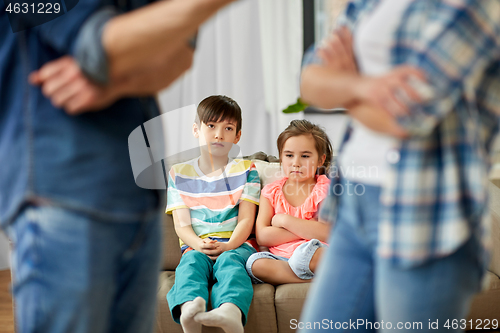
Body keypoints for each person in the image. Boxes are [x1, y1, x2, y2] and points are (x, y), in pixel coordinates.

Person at [0, 1, 236, 332]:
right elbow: (99, 46)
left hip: (139, 197)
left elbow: (178, 55)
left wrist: (113, 82)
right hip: (64, 192)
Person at [299, 1, 500, 332]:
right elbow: (310, 82)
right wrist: (362, 87)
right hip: (354, 202)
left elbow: (404, 115)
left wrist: (343, 83)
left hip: (426, 213)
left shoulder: (469, 6)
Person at [165, 95, 260, 333]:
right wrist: (198, 244)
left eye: (228, 128)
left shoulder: (247, 170)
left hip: (236, 244)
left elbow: (246, 219)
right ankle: (190, 308)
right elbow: (182, 225)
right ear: (197, 130)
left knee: (231, 265)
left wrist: (229, 246)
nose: (219, 134)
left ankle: (231, 311)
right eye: (211, 126)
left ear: (237, 136)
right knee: (190, 264)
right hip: (197, 245)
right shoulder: (178, 173)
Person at [245, 120, 332, 285]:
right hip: (281, 258)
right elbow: (262, 236)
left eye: (305, 156)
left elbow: (326, 232)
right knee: (254, 264)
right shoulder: (271, 192)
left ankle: (316, 275)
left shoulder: (325, 188)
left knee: (310, 255)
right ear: (281, 158)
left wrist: (285, 221)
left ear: (320, 160)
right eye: (289, 155)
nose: (296, 163)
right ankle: (318, 280)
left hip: (313, 253)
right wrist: (307, 226)